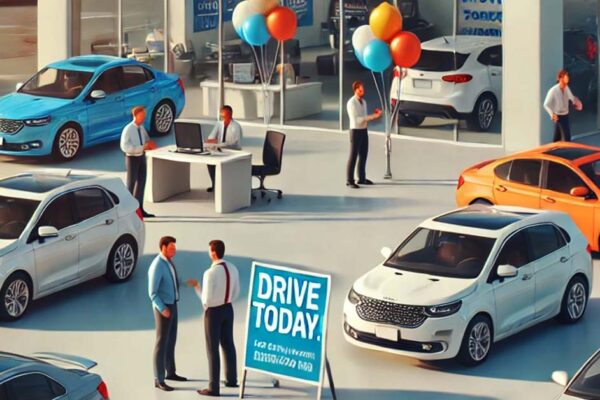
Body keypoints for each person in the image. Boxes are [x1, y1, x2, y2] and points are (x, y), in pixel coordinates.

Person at [187, 240, 240, 397]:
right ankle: (231, 379)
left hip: (213, 313)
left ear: (214, 253)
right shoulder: (233, 268)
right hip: (228, 309)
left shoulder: (209, 273)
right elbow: (236, 291)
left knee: (212, 349)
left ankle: (213, 387)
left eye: (209, 251)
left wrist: (198, 289)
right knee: (228, 343)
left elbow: (207, 300)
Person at [148, 236, 187, 392]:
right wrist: (162, 308)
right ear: (163, 247)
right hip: (163, 308)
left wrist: (184, 283)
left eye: (175, 248)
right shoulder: (157, 266)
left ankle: (171, 372)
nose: (174, 251)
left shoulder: (169, 262)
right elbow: (152, 293)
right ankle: (158, 379)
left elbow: (172, 280)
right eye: (171, 248)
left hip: (173, 305)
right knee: (161, 342)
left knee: (171, 340)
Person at [120, 106, 157, 217]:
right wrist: (142, 147)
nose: (144, 117)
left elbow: (146, 139)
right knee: (131, 184)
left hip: (141, 157)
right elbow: (125, 147)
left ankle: (140, 208)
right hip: (132, 158)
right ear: (136, 115)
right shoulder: (128, 129)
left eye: (144, 115)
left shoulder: (141, 128)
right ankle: (127, 210)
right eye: (142, 115)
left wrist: (150, 145)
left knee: (141, 183)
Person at [346, 81, 382, 189]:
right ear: (355, 90)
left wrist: (374, 115)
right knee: (353, 155)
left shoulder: (364, 102)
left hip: (363, 130)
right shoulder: (351, 103)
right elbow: (357, 119)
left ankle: (361, 177)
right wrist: (372, 117)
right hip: (355, 130)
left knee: (363, 154)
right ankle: (349, 180)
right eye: (360, 90)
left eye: (363, 89)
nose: (362, 92)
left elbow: (364, 116)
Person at [205, 105, 243, 192]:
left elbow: (234, 143)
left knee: (221, 163)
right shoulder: (219, 124)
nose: (223, 118)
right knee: (210, 161)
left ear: (230, 115)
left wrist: (219, 144)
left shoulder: (236, 126)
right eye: (222, 116)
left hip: (233, 151)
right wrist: (211, 140)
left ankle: (223, 186)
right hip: (220, 150)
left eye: (225, 116)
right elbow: (211, 136)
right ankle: (215, 185)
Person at [543, 69, 583, 142]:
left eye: (568, 77)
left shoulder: (567, 88)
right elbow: (546, 104)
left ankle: (554, 149)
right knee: (567, 137)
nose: (568, 78)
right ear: (561, 78)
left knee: (557, 138)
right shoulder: (553, 90)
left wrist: (576, 102)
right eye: (566, 77)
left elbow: (572, 98)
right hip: (558, 116)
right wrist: (552, 114)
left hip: (565, 115)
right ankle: (565, 151)